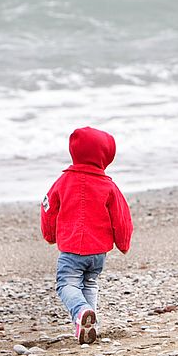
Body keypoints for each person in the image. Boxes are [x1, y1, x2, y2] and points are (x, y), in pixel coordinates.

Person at [41, 126, 133, 344]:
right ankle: (88, 325)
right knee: (89, 283)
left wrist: (50, 235)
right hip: (98, 252)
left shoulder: (63, 182)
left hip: (72, 249)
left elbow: (47, 208)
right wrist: (123, 243)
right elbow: (122, 216)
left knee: (66, 285)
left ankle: (82, 312)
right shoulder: (108, 185)